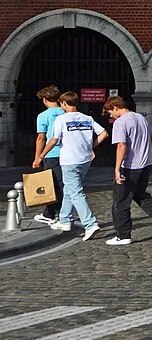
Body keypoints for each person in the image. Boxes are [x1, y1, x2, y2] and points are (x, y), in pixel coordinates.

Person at [102, 95, 152, 246]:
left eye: (110, 112)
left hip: (129, 167)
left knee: (120, 202)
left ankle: (123, 235)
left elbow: (122, 146)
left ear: (115, 107)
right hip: (145, 164)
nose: (111, 116)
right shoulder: (141, 118)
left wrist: (117, 168)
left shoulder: (120, 123)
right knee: (140, 195)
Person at [48, 92, 106, 240]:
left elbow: (54, 140)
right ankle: (65, 220)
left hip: (69, 160)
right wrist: (91, 146)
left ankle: (90, 224)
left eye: (61, 104)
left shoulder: (61, 119)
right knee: (69, 189)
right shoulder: (87, 118)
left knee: (76, 193)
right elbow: (104, 133)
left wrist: (41, 154)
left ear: (64, 104)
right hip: (85, 160)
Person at [28, 85, 63, 226]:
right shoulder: (65, 112)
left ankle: (56, 214)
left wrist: (38, 157)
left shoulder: (43, 116)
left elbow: (41, 138)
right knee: (61, 183)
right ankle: (50, 213)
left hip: (51, 153)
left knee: (51, 184)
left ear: (44, 99)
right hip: (67, 153)